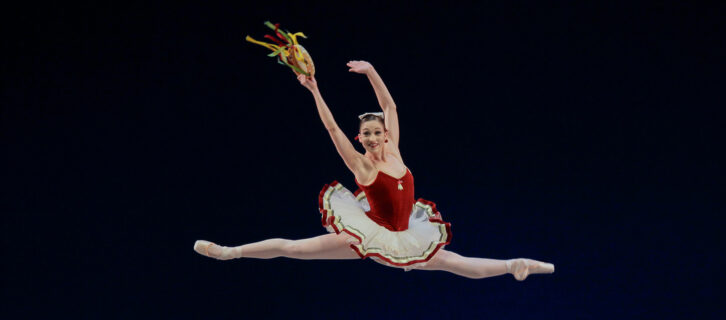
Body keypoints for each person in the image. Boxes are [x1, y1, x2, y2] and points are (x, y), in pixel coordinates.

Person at [194, 60, 555, 280]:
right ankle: (229, 252)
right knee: (296, 248)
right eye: (365, 134)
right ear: (360, 137)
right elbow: (333, 129)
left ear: (384, 134)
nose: (370, 138)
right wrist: (315, 91)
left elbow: (389, 104)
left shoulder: (394, 150)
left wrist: (370, 71)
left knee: (454, 262)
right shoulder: (361, 164)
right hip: (373, 234)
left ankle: (515, 264)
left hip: (406, 234)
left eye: (376, 133)